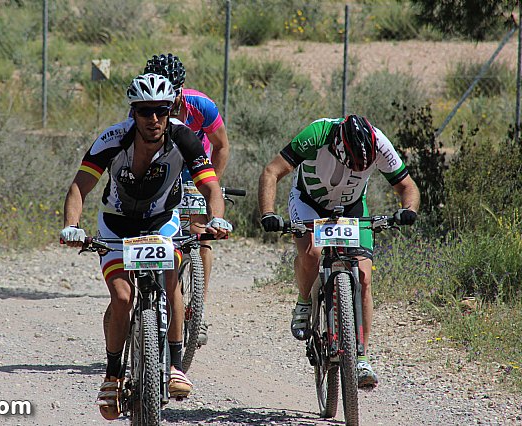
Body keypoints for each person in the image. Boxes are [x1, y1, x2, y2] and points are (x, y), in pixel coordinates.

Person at [60, 73, 232, 420]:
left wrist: (216, 219)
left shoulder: (183, 137)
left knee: (171, 280)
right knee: (122, 298)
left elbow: (211, 186)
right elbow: (80, 186)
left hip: (161, 220)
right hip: (116, 223)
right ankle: (112, 374)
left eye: (160, 111)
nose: (153, 119)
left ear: (170, 111)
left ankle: (175, 363)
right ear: (133, 112)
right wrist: (72, 226)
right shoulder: (112, 138)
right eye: (144, 111)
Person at [257, 114, 420, 388]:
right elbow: (272, 172)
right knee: (312, 253)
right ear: (339, 148)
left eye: (363, 167)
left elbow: (407, 186)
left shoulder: (379, 142)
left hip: (352, 207)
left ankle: (361, 358)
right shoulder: (317, 134)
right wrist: (268, 213)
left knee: (364, 278)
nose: (358, 169)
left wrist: (409, 210)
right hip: (308, 201)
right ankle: (304, 302)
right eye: (353, 164)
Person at [144, 53, 230, 346]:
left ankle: (198, 309)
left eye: (175, 91)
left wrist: (211, 185)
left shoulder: (200, 105)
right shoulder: (148, 108)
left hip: (196, 170)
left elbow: (221, 145)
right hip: (163, 171)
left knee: (201, 234)